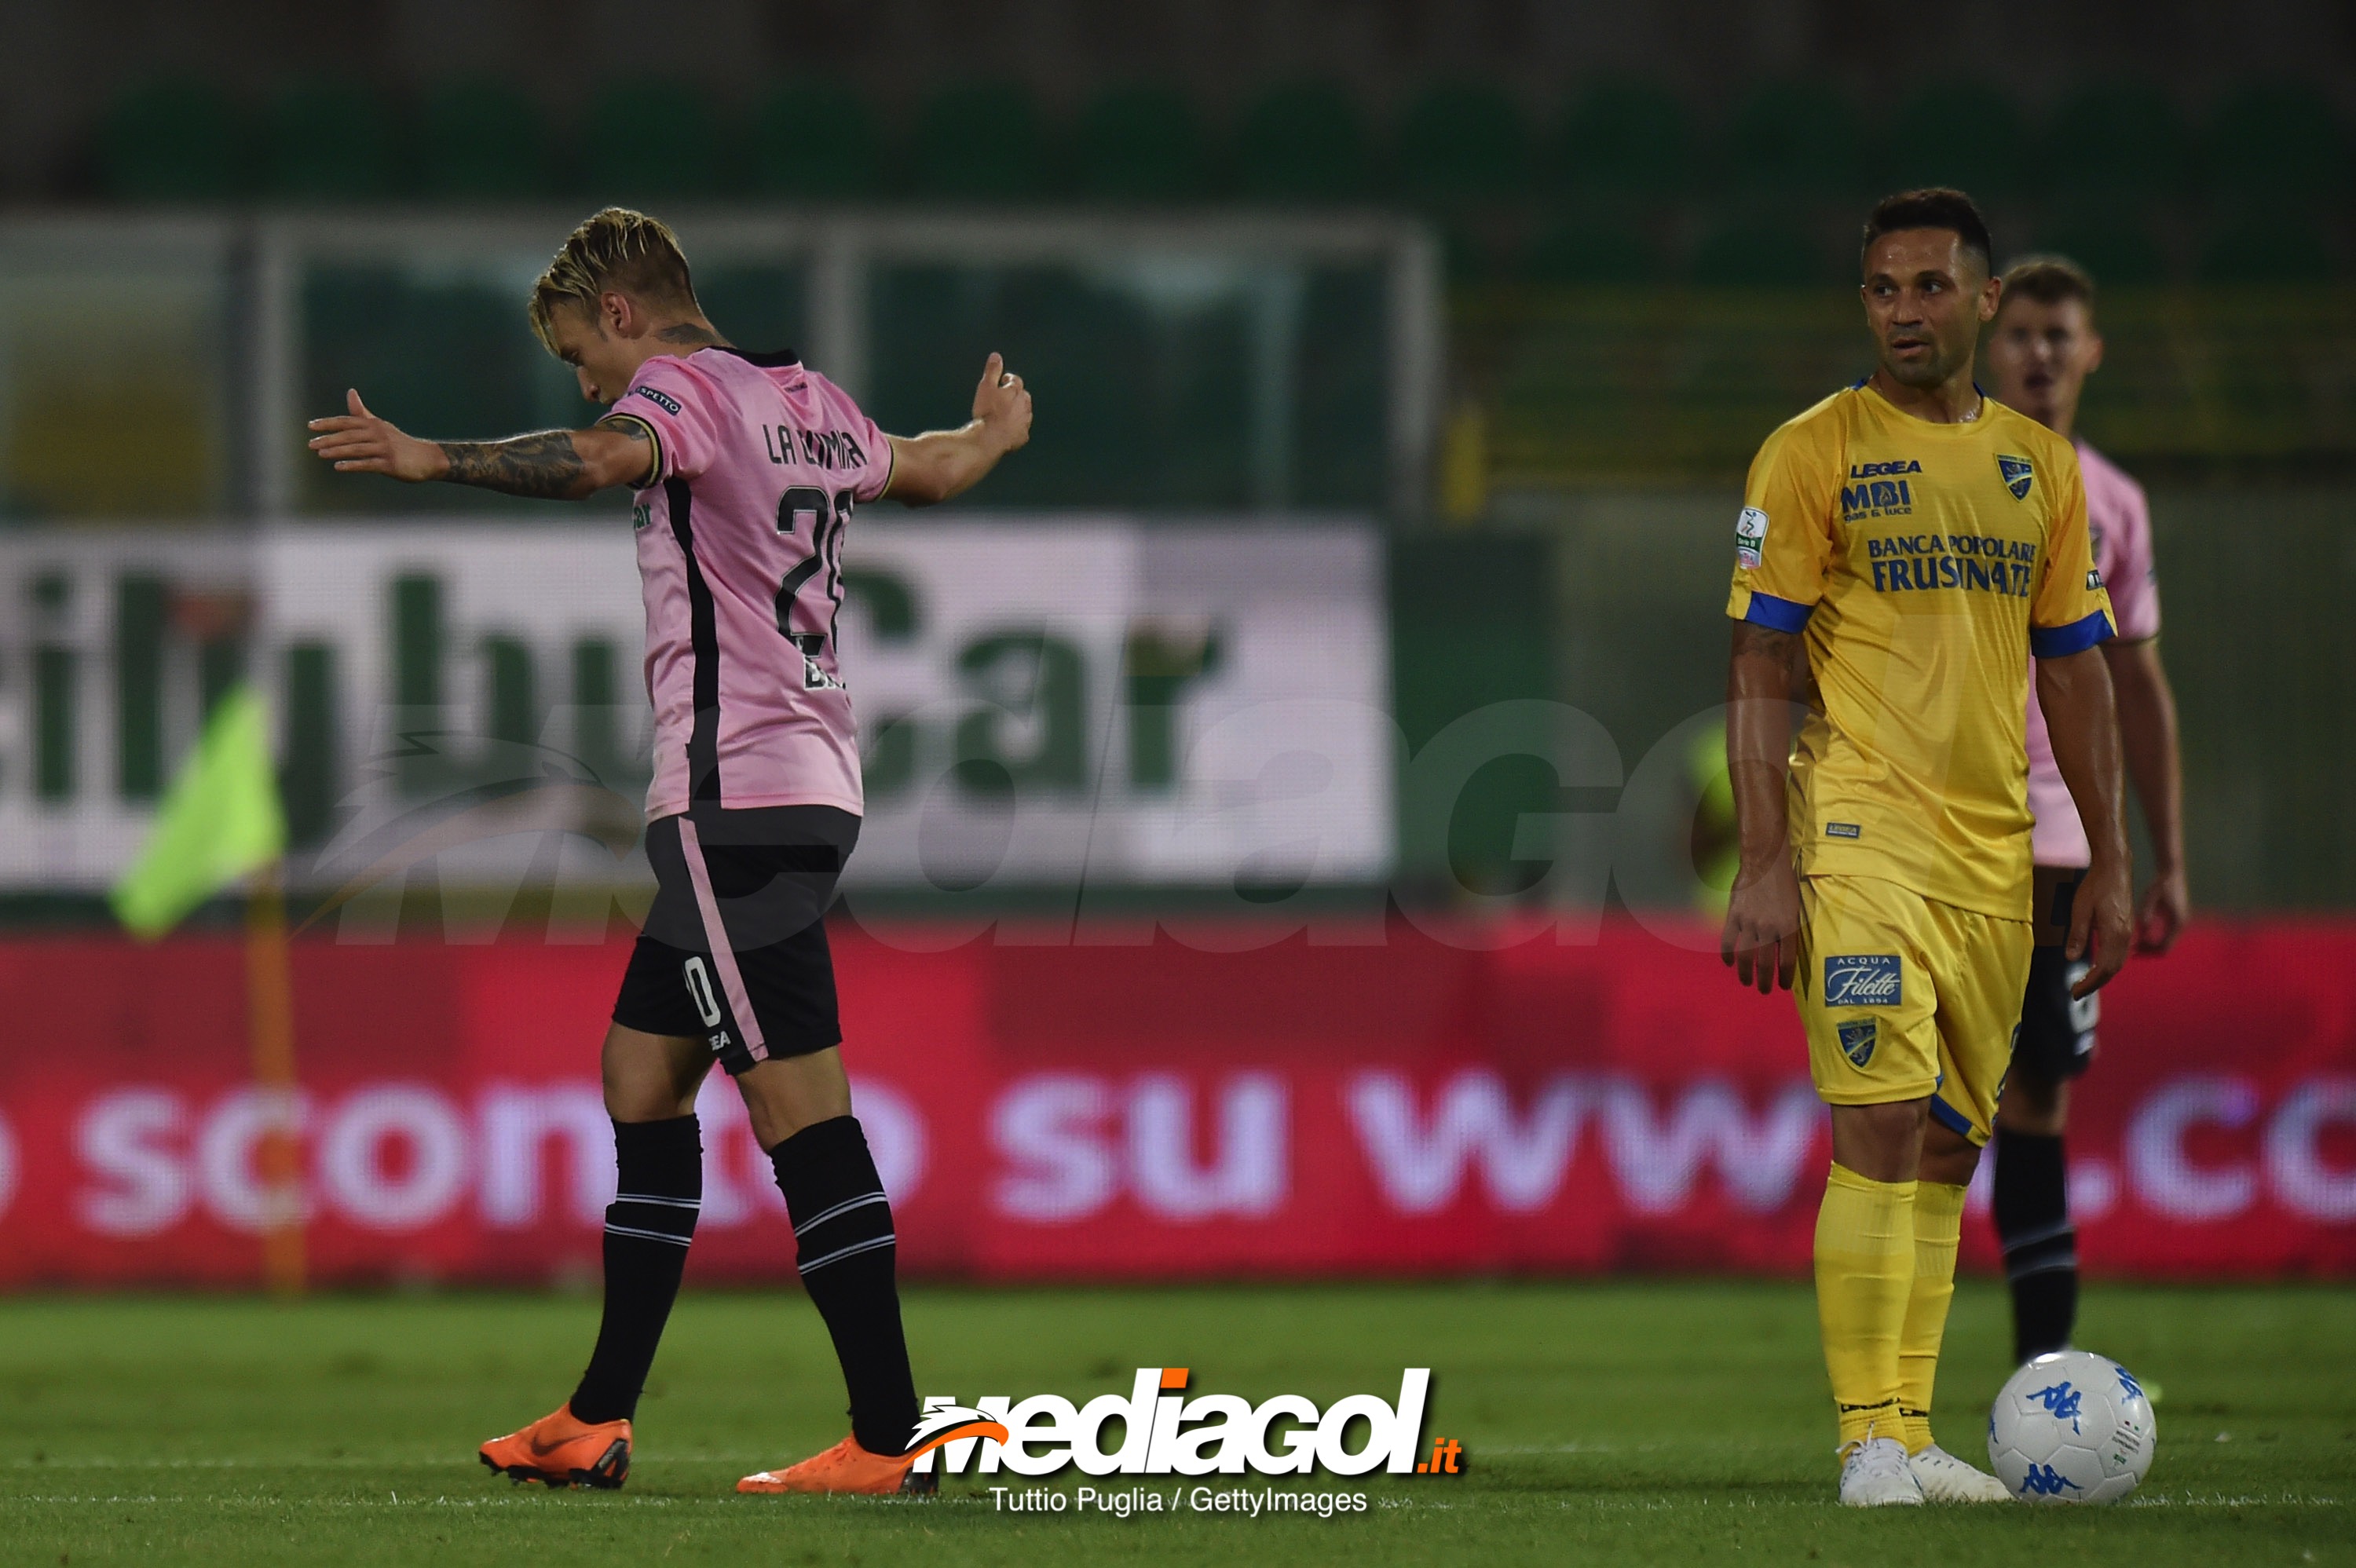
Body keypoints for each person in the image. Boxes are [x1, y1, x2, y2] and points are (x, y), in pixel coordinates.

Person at [306, 207, 1030, 1496]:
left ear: (626, 315)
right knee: (641, 1078)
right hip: (809, 788)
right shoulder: (809, 400)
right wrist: (988, 437)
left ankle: (891, 1432)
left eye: (582, 346)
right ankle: (596, 1416)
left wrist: (431, 459)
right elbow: (922, 466)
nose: (586, 375)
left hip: (732, 803)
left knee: (798, 1112)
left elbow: (597, 457)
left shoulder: (679, 393)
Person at [1718, 189, 2133, 1507]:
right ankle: (1862, 1441)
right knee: (1878, 1120)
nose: (1906, 310)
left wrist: (2110, 858)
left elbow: (2080, 672)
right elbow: (1757, 657)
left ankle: (1908, 1430)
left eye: (1932, 287)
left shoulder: (2040, 468)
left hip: (1994, 861)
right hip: (1858, 839)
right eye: (1885, 289)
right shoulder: (1808, 452)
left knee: (1954, 1143)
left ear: (1984, 300)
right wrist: (1768, 857)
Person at [1982, 256, 2186, 1363]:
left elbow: (2138, 685)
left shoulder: (2115, 504)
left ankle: (2038, 1383)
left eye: (2061, 334)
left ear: (2091, 351)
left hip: (2060, 845)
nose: (2041, 353)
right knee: (1918, 1112)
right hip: (1938, 838)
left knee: (2037, 1098)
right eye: (2021, 333)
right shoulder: (1935, 480)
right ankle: (1888, 1406)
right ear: (1989, 344)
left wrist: (2161, 855)